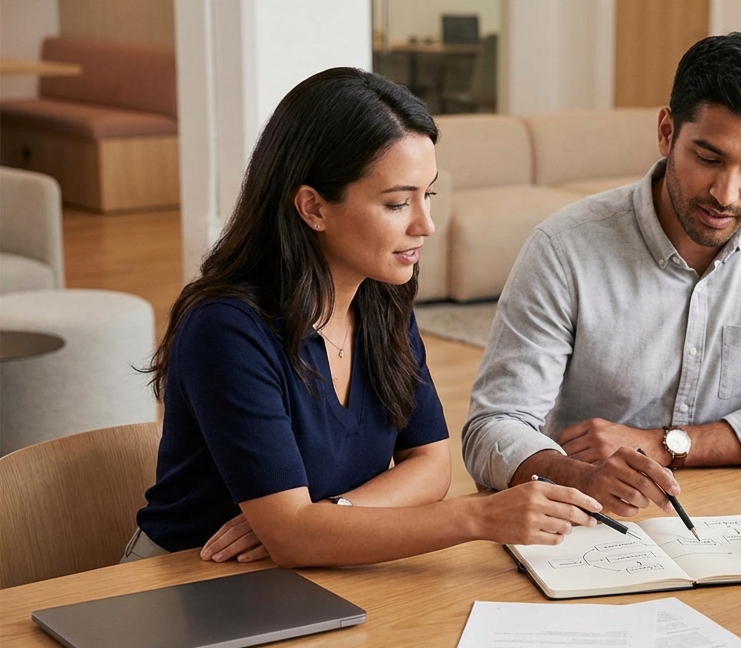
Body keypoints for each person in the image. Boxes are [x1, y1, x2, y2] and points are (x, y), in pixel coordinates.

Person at [125, 68, 601, 568]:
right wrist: (477, 518)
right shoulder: (226, 329)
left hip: (316, 572)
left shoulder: (380, 299)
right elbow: (294, 537)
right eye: (398, 202)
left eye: (428, 195)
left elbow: (431, 465)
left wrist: (328, 519)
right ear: (313, 207)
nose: (426, 224)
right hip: (186, 577)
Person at [462, 32, 741, 518]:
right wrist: (579, 476)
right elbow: (492, 428)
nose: (727, 194)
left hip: (727, 513)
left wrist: (667, 444)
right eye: (708, 159)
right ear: (667, 132)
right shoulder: (565, 248)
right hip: (590, 515)